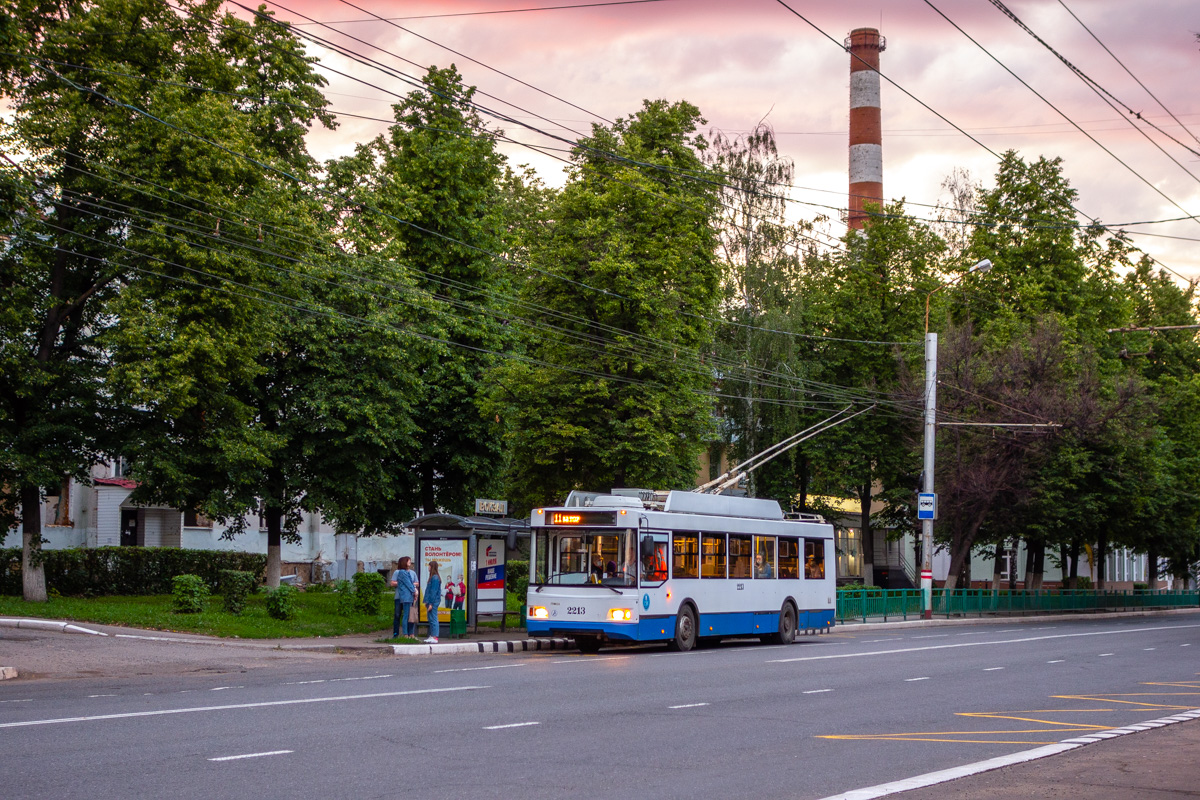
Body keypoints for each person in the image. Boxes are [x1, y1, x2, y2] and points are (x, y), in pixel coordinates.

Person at [390, 556, 418, 638]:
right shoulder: (401, 572)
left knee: (410, 615)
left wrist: (413, 589)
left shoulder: (410, 572)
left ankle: (410, 633)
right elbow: (408, 583)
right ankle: (403, 634)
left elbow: (413, 583)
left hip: (409, 596)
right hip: (404, 597)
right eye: (408, 561)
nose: (410, 562)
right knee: (402, 615)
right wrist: (414, 591)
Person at [423, 560, 442, 644]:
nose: (428, 567)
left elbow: (433, 591)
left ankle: (435, 636)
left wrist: (430, 603)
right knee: (430, 618)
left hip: (433, 602)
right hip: (431, 601)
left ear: (432, 567)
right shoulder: (434, 577)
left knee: (433, 618)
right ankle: (432, 635)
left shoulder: (434, 578)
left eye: (429, 566)